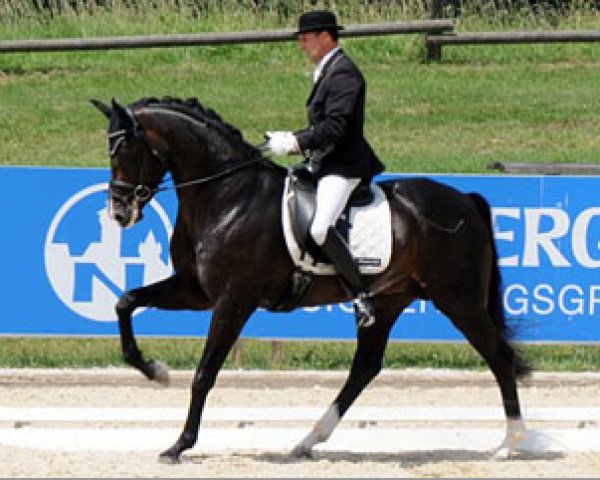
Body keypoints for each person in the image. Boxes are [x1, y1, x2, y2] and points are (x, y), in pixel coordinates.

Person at [266, 10, 385, 328]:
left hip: (343, 166)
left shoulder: (344, 73)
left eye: (306, 38)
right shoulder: (326, 70)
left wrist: (295, 142)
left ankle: (361, 294)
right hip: (323, 163)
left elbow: (336, 126)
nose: (302, 45)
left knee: (320, 228)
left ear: (324, 36)